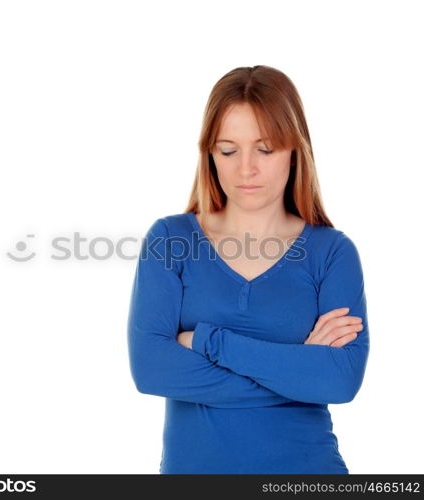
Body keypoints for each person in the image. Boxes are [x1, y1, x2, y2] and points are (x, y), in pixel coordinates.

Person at [127, 65, 370, 474]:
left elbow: (339, 382)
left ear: (295, 150)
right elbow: (151, 369)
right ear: (209, 153)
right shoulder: (171, 240)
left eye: (265, 148)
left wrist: (208, 341)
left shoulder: (333, 252)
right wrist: (297, 369)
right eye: (228, 150)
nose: (245, 170)